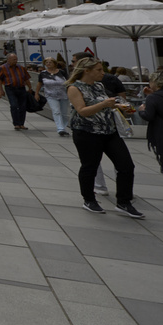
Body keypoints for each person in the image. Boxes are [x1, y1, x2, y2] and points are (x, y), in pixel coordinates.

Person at [67, 57, 141, 217]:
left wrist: (122, 106)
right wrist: (104, 104)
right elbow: (82, 111)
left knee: (126, 166)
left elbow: (107, 104)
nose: (103, 72)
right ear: (87, 71)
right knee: (90, 166)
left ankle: (124, 202)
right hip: (86, 132)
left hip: (109, 131)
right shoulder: (75, 88)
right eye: (98, 70)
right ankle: (89, 199)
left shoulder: (99, 85)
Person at [0, 52, 31, 132]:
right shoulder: (3, 68)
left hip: (21, 88)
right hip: (10, 88)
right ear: (8, 60)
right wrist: (0, 90)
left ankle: (21, 123)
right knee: (14, 105)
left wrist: (30, 87)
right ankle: (16, 124)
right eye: (13, 59)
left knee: (23, 106)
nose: (15, 61)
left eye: (16, 59)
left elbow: (26, 78)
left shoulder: (21, 68)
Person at [41, 56, 70, 138]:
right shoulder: (43, 73)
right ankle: (60, 128)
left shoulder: (62, 72)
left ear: (55, 63)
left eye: (50, 62)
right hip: (50, 95)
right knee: (56, 111)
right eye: (46, 62)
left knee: (64, 113)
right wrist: (36, 93)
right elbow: (40, 83)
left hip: (63, 94)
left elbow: (68, 82)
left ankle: (64, 127)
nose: (48, 64)